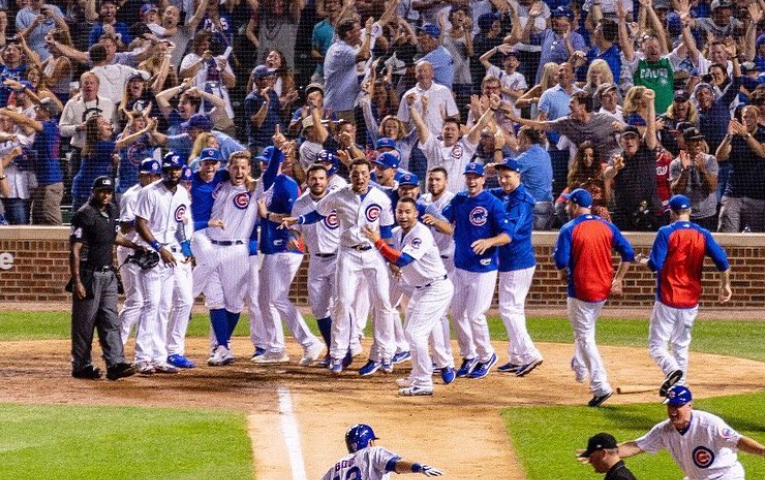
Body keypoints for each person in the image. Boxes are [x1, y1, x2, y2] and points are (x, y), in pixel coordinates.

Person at [281, 159, 396, 376]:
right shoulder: (340, 194)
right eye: (355, 174)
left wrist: (391, 260)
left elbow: (387, 232)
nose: (360, 178)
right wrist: (299, 219)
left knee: (383, 303)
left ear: (368, 175)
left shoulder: (380, 198)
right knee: (342, 303)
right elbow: (319, 214)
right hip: (348, 253)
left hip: (373, 253)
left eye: (363, 173)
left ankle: (385, 353)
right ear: (350, 175)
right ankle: (337, 354)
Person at [635, 195, 732, 394]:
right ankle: (679, 388)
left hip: (668, 297)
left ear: (671, 212)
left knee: (657, 345)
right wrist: (725, 285)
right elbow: (722, 261)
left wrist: (641, 260)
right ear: (689, 211)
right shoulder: (702, 233)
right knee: (681, 345)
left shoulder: (666, 232)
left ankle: (673, 371)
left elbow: (655, 265)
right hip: (690, 300)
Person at [423, 162, 511, 379]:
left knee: (474, 315)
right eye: (469, 176)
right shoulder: (459, 199)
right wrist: (434, 221)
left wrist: (489, 242)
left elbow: (507, 235)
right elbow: (447, 225)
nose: (472, 180)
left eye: (476, 177)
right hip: (460, 266)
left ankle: (486, 355)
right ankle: (469, 355)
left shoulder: (493, 203)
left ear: (483, 179)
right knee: (457, 313)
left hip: (484, 268)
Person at [362, 197, 454, 396]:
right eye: (399, 212)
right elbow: (388, 253)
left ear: (416, 214)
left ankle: (424, 382)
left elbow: (403, 258)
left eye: (407, 212)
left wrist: (378, 242)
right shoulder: (397, 233)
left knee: (415, 333)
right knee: (410, 331)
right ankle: (418, 374)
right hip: (421, 288)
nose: (402, 216)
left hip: (436, 287)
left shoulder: (421, 233)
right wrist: (387, 257)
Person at [554, 188, 634, 407]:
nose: (567, 207)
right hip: (602, 290)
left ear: (576, 205)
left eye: (569, 204)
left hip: (580, 290)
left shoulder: (569, 228)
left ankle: (600, 386)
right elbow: (628, 253)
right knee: (585, 330)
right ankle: (579, 365)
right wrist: (618, 279)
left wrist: (561, 274)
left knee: (585, 336)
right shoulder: (607, 226)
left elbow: (561, 261)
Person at [68, 176, 139, 381]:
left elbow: (112, 236)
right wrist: (77, 281)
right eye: (101, 191)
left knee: (111, 320)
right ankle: (81, 365)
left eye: (108, 192)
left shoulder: (112, 211)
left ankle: (115, 364)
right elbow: (75, 249)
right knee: (85, 323)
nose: (105, 195)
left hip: (108, 274)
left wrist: (134, 245)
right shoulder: (84, 215)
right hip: (89, 274)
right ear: (94, 191)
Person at [617, 386, 765, 478]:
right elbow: (637, 446)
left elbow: (738, 441)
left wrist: (762, 451)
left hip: (725, 476)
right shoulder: (664, 430)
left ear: (690, 405)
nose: (673, 411)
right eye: (670, 406)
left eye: (677, 406)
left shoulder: (709, 424)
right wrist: (605, 453)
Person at [132, 153, 191, 374]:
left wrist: (186, 250)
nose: (173, 172)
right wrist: (159, 247)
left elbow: (181, 224)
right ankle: (141, 358)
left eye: (177, 168)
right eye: (170, 168)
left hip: (170, 255)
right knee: (151, 305)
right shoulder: (149, 192)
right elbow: (140, 224)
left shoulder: (183, 193)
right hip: (152, 253)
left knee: (164, 307)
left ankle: (158, 357)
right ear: (163, 170)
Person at [204, 150, 264, 366]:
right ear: (228, 168)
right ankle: (220, 346)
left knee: (235, 304)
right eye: (235, 166)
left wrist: (276, 150)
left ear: (249, 170)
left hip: (237, 252)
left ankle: (222, 346)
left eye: (243, 167)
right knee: (215, 300)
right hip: (211, 249)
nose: (239, 171)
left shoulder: (255, 190)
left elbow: (272, 173)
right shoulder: (218, 185)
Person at [489, 159, 543, 376]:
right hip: (510, 261)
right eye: (500, 176)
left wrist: (489, 240)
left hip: (518, 262)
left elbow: (509, 232)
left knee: (509, 309)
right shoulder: (503, 193)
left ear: (518, 176)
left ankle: (530, 354)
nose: (503, 180)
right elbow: (486, 194)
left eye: (508, 176)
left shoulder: (522, 199)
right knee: (514, 309)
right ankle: (517, 357)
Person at [288, 164, 339, 361]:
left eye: (321, 178)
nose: (317, 182)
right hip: (316, 260)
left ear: (327, 180)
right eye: (313, 179)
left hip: (338, 258)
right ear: (307, 181)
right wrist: (293, 236)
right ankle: (331, 349)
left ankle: (342, 350)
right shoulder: (300, 204)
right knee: (318, 308)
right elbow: (295, 228)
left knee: (341, 306)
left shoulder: (337, 200)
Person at [117, 158, 161, 345]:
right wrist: (143, 220)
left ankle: (146, 348)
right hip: (131, 250)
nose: (151, 179)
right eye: (146, 175)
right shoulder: (131, 196)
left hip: (150, 252)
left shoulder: (162, 195)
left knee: (152, 302)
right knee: (135, 301)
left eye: (154, 175)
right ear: (140, 176)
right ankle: (115, 344)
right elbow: (125, 228)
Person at [321, 424, 443, 480]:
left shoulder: (336, 466)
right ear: (370, 443)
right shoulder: (372, 453)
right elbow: (396, 464)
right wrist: (418, 467)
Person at [669, 128, 719, 231]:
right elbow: (676, 191)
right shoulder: (676, 164)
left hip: (707, 216)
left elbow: (712, 188)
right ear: (686, 143)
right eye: (694, 141)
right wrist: (685, 170)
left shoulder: (710, 160)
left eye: (700, 140)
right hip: (685, 215)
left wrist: (702, 170)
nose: (698, 143)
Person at [323, 18, 371, 123]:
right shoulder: (341, 50)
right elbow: (365, 54)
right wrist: (368, 32)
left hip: (341, 104)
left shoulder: (339, 47)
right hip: (340, 107)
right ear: (348, 33)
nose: (360, 33)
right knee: (346, 136)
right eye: (358, 31)